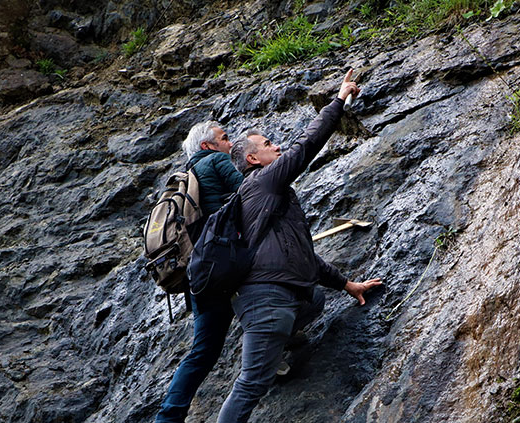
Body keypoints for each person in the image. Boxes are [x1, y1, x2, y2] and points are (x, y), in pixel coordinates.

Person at [218, 69, 382, 423]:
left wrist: (346, 285)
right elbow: (305, 146)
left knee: (316, 299)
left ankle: (276, 348)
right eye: (268, 145)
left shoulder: (268, 197)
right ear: (252, 159)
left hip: (281, 294)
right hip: (265, 299)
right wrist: (337, 102)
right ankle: (269, 354)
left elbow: (300, 258)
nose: (276, 147)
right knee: (250, 385)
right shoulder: (262, 182)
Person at [155, 121, 243, 423]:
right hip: (225, 264)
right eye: (225, 138)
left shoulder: (187, 177)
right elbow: (248, 191)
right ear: (208, 146)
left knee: (202, 351)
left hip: (198, 273)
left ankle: (168, 417)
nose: (231, 144)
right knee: (275, 295)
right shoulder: (217, 160)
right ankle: (281, 349)